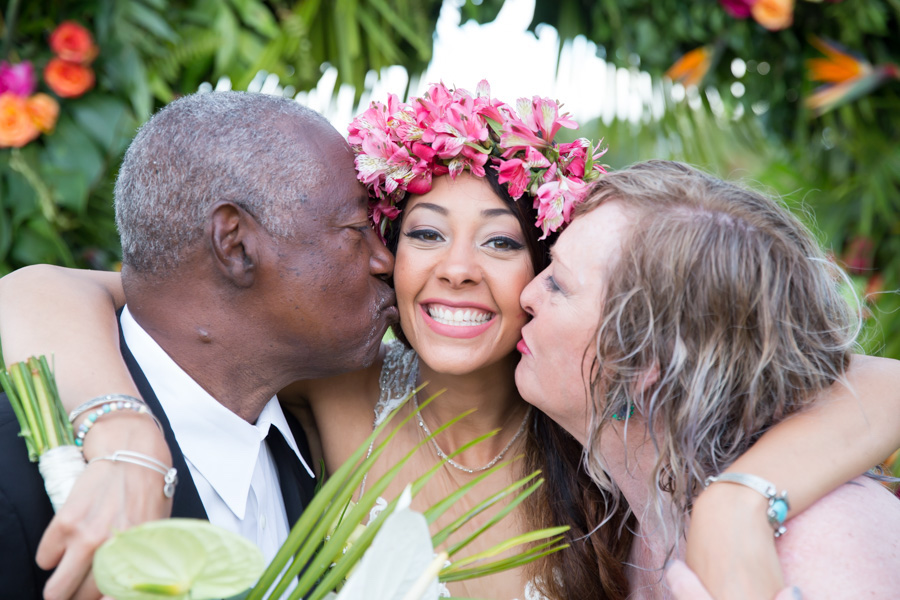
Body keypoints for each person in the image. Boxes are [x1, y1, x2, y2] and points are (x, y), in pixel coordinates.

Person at [2, 86, 899, 600]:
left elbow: (863, 380)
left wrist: (739, 503)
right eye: (421, 234)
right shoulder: (343, 386)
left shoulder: (591, 438)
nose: (459, 270)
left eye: (505, 244)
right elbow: (54, 290)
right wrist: (124, 433)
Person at [0, 90, 399, 599]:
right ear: (234, 244)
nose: (383, 260)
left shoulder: (308, 450)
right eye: (357, 228)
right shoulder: (17, 487)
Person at [514, 160, 900, 598]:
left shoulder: (826, 547)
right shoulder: (623, 515)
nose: (527, 295)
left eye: (559, 286)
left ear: (643, 363)